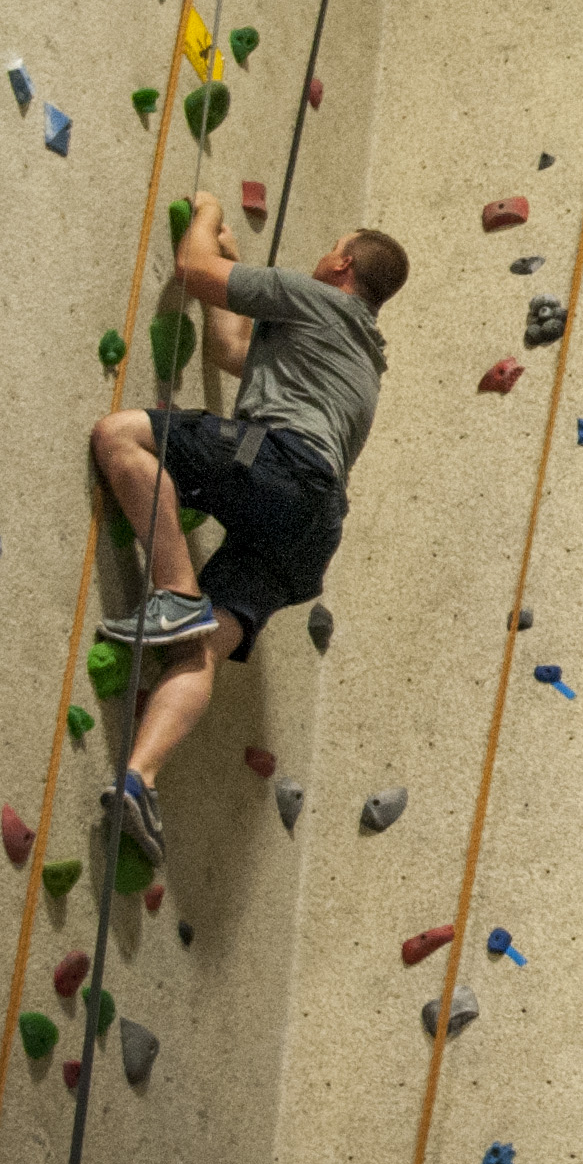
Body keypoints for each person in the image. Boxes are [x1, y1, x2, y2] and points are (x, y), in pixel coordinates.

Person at [85, 195, 407, 865]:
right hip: (312, 532)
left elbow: (190, 266)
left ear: (341, 264)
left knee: (118, 436)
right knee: (196, 649)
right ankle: (139, 780)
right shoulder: (362, 359)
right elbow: (233, 347)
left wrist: (205, 216)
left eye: (332, 246)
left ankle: (172, 590)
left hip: (281, 468)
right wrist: (234, 267)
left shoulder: (314, 296)